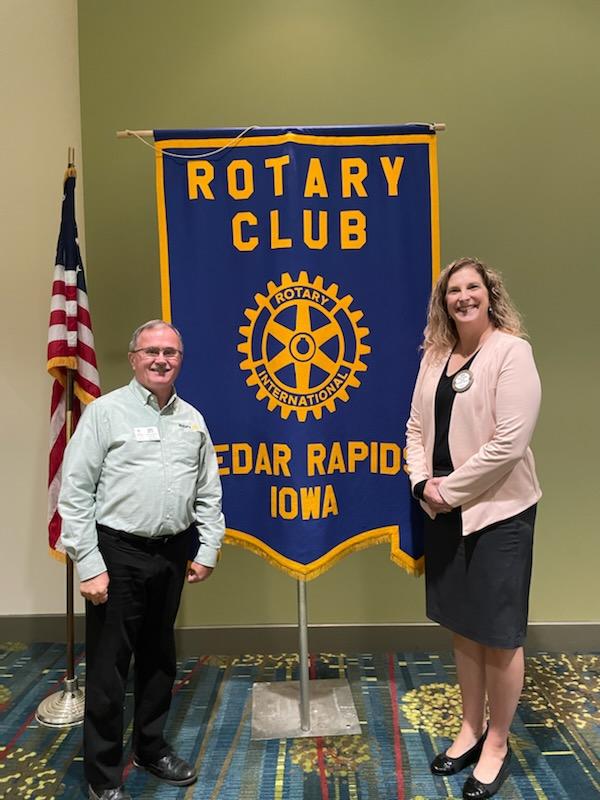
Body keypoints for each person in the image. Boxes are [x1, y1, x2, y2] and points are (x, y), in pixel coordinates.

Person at [59, 320, 226, 800]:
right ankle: (102, 775)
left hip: (172, 552)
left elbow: (208, 491)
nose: (160, 360)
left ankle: (151, 747)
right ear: (133, 358)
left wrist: (207, 547)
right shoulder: (105, 413)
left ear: (180, 360)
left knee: (159, 659)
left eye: (170, 352)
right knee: (109, 668)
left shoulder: (192, 419)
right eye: (151, 351)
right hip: (117, 553)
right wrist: (89, 564)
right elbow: (75, 492)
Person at [405, 258, 541, 800]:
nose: (463, 296)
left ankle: (498, 744)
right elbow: (415, 427)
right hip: (443, 511)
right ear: (444, 301)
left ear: (490, 294)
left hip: (498, 513)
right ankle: (470, 727)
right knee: (463, 626)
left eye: (472, 287)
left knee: (499, 635)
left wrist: (449, 490)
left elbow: (509, 442)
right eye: (453, 290)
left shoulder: (512, 352)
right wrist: (422, 484)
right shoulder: (435, 355)